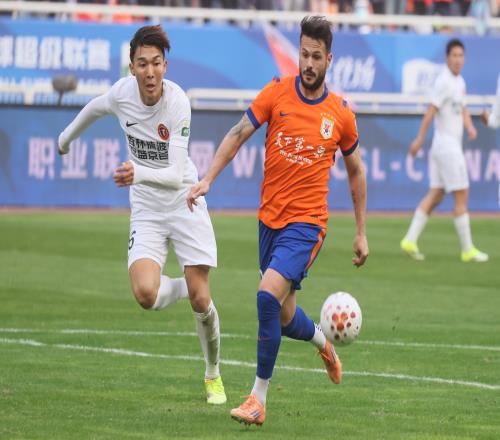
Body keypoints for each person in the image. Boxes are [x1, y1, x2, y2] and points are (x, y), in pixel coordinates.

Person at [187, 16, 369, 426]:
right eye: (304, 54)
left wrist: (361, 232)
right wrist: (208, 178)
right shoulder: (276, 92)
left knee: (266, 297)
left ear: (329, 59)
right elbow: (238, 133)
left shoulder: (340, 114)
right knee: (284, 318)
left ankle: (258, 399)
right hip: (269, 222)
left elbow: (356, 171)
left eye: (316, 57)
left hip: (307, 225)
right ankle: (324, 343)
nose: (308, 64)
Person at [58, 25, 226, 404]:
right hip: (147, 208)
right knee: (146, 294)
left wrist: (138, 172)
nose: (150, 72)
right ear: (131, 67)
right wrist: (65, 139)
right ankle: (184, 287)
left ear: (166, 65)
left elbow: (174, 175)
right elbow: (95, 107)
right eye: (142, 64)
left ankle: (212, 373)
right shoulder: (123, 93)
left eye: (156, 63)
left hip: (184, 200)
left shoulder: (178, 103)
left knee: (203, 302)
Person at [401, 39, 488, 263]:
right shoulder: (444, 82)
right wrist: (419, 139)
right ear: (447, 58)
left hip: (444, 147)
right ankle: (467, 249)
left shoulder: (459, 82)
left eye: (461, 55)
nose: (458, 59)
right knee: (462, 194)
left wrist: (469, 127)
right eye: (454, 55)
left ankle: (409, 240)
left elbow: (463, 107)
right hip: (448, 147)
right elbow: (431, 111)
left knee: (436, 194)